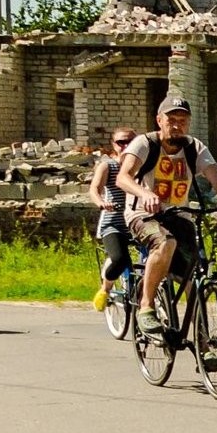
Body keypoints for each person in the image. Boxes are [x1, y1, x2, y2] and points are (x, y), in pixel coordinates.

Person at [116, 96, 217, 335]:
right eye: (171, 120)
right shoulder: (143, 144)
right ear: (159, 120)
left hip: (179, 215)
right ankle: (146, 307)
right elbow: (123, 177)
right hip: (142, 213)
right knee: (165, 242)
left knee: (194, 275)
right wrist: (144, 193)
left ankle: (203, 343)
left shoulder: (194, 147)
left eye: (183, 120)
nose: (177, 125)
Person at [88, 127, 137, 310]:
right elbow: (95, 189)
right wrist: (101, 203)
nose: (125, 146)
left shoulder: (142, 164)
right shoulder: (108, 165)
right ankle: (105, 289)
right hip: (114, 222)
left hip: (137, 221)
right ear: (114, 145)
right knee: (120, 259)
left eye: (130, 142)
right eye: (120, 142)